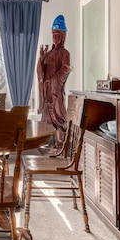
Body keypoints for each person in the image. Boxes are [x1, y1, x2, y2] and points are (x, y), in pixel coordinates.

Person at [37, 14, 71, 150]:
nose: (55, 38)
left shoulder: (65, 53)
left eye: (58, 35)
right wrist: (41, 59)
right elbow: (41, 73)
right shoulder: (49, 54)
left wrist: (52, 81)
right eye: (54, 35)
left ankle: (60, 146)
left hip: (56, 93)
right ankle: (46, 145)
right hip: (47, 94)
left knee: (58, 119)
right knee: (46, 119)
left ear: (63, 36)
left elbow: (66, 69)